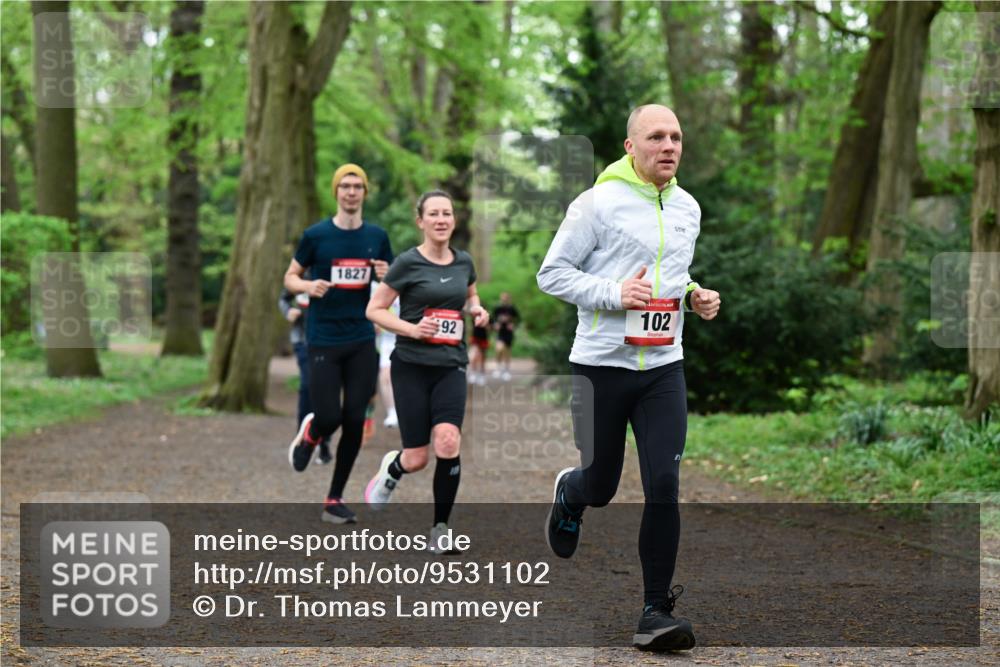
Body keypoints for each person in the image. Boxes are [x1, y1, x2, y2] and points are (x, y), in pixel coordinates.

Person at [536, 105, 721, 652]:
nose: (669, 146)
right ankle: (571, 493)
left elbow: (673, 275)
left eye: (676, 137)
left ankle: (655, 611)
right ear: (630, 146)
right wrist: (614, 294)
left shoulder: (687, 207)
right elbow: (552, 274)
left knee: (664, 484)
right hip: (600, 366)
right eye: (656, 137)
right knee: (601, 485)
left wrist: (693, 296)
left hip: (663, 367)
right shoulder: (596, 203)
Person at [363, 190, 489, 552]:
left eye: (446, 213)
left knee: (448, 440)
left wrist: (477, 310)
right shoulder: (407, 263)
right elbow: (375, 310)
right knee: (416, 458)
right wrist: (412, 329)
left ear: (454, 220)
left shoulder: (464, 262)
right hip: (411, 367)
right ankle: (393, 468)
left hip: (451, 365)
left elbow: (471, 295)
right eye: (433, 214)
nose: (441, 219)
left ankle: (440, 530)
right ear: (421, 221)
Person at [284, 163, 393, 525]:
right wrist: (306, 286)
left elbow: (393, 287)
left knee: (355, 419)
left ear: (364, 193)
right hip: (323, 338)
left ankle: (334, 499)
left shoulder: (377, 236)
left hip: (361, 337)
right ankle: (312, 433)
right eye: (345, 186)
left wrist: (386, 276)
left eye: (357, 186)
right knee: (330, 415)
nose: (351, 192)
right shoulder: (316, 236)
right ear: (336, 192)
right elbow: (290, 276)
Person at [278, 286, 331, 463]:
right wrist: (288, 311)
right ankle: (303, 440)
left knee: (326, 390)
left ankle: (324, 442)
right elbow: (284, 298)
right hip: (302, 339)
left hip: (329, 340)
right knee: (308, 386)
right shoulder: (299, 275)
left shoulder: (331, 276)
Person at [492, 292, 519, 381]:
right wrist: (495, 324)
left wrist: (513, 325)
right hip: (500, 332)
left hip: (508, 333)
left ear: (509, 299)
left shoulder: (512, 308)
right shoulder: (498, 308)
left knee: (507, 352)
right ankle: (498, 368)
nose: (504, 300)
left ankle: (506, 371)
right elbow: (493, 319)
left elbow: (518, 319)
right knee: (499, 349)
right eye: (502, 298)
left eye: (505, 298)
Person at [468, 315, 489, 386]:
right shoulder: (474, 315)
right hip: (475, 338)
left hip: (483, 338)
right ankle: (473, 373)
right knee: (473, 356)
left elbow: (490, 327)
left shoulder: (486, 316)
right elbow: (471, 326)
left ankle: (481, 374)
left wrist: (486, 325)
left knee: (482, 358)